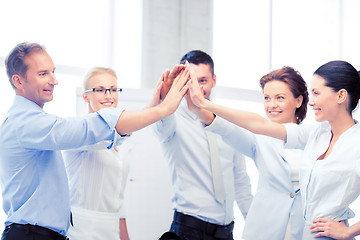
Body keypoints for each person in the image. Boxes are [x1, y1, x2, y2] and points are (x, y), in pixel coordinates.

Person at [0, 42, 189, 240]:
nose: (54, 80)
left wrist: (157, 104)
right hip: (38, 234)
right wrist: (162, 109)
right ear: (18, 81)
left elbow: (108, 132)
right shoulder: (26, 122)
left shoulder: (30, 120)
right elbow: (90, 129)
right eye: (43, 74)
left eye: (53, 72)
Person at [188, 60, 360, 240]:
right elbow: (258, 124)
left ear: (341, 96)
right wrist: (204, 104)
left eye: (317, 93)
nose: (312, 102)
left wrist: (349, 231)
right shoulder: (317, 134)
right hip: (304, 234)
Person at [153, 50, 253, 240]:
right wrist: (165, 100)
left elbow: (240, 179)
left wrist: (256, 225)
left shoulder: (226, 121)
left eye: (202, 80)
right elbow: (159, 129)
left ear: (213, 80)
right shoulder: (171, 119)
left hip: (226, 232)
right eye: (190, 79)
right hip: (189, 230)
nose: (196, 87)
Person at [199, 66, 308, 239]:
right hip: (265, 227)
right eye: (267, 98)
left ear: (298, 101)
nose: (272, 105)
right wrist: (198, 105)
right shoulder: (257, 136)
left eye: (280, 98)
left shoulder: (314, 136)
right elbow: (224, 128)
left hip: (305, 228)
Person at [62, 67, 130, 239]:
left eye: (113, 89)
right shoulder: (77, 131)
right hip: (82, 230)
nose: (108, 95)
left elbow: (118, 200)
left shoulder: (121, 144)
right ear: (86, 96)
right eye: (100, 90)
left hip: (112, 229)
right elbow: (101, 139)